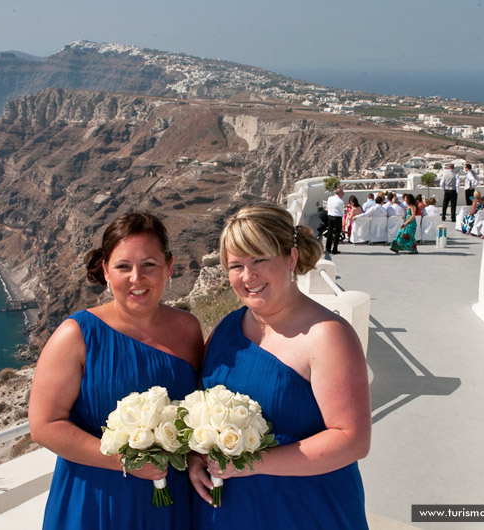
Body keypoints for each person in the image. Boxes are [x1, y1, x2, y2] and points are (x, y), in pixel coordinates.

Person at [189, 204, 371, 530]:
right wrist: (195, 456)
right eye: (236, 266)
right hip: (228, 510)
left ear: (291, 257)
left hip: (303, 509)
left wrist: (251, 463)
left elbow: (352, 439)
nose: (248, 276)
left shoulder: (327, 336)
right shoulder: (225, 329)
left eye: (259, 260)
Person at [29, 212, 204, 530]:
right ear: (106, 271)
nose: (137, 278)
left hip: (171, 499)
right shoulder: (76, 334)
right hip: (97, 501)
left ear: (169, 266)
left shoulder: (189, 329)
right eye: (123, 266)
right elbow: (45, 425)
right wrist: (125, 462)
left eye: (149, 264)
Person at [325, 188, 345, 254]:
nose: (343, 194)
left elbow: (327, 206)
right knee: (337, 233)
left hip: (330, 216)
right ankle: (335, 249)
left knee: (330, 232)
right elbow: (342, 212)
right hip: (337, 217)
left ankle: (328, 248)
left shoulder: (330, 198)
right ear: (339, 193)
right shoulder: (340, 201)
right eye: (342, 193)